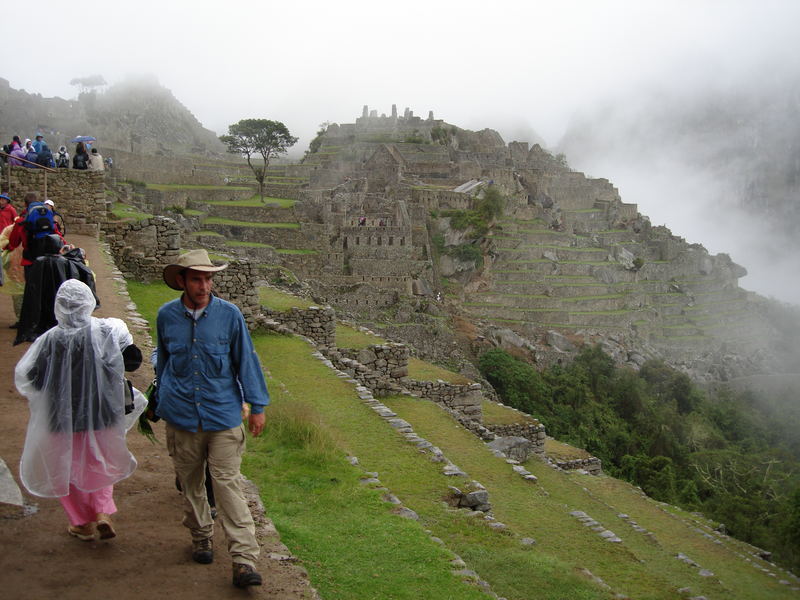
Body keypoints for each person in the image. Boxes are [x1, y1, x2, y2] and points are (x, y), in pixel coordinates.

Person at [156, 249, 268, 589]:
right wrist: (158, 400)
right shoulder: (166, 317)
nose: (204, 285)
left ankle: (244, 559)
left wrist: (257, 405)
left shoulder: (229, 316)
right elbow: (164, 364)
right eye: (196, 279)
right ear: (182, 281)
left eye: (208, 278)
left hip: (222, 414)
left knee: (227, 484)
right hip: (181, 415)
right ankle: (201, 535)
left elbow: (245, 360)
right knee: (190, 484)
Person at [16, 279, 145, 541]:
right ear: (88, 303)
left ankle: (81, 522)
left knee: (66, 465)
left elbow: (31, 377)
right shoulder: (105, 331)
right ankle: (101, 511)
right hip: (101, 415)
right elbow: (133, 360)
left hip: (61, 419)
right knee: (99, 461)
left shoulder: (50, 340)